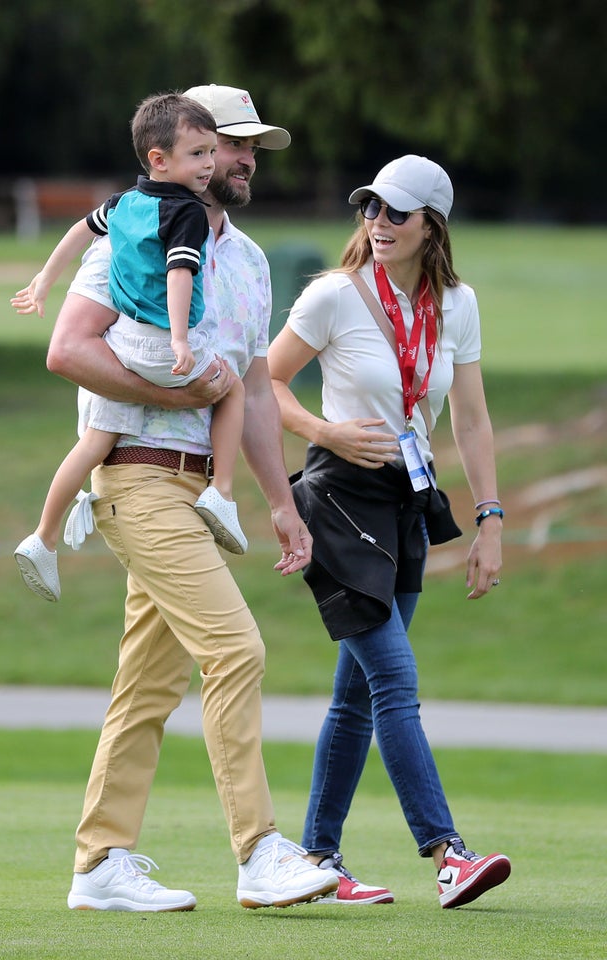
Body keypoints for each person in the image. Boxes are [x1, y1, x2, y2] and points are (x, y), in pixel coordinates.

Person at [31, 83, 342, 913]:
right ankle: (259, 852)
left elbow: (251, 385)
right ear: (184, 152)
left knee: (145, 689)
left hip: (201, 488)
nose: (243, 160)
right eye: (231, 144)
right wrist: (167, 396)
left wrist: (281, 502)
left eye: (249, 149)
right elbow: (68, 348)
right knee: (237, 650)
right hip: (136, 473)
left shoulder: (243, 258)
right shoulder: (133, 233)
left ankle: (99, 865)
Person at [267, 154, 511, 909]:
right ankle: (447, 853)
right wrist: (325, 431)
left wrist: (491, 518)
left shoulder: (457, 304)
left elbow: (469, 418)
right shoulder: (334, 296)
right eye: (369, 208)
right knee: (395, 684)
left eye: (395, 213)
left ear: (431, 223)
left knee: (356, 698)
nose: (378, 223)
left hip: (407, 499)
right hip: (338, 497)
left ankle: (318, 858)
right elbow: (264, 382)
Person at [12, 94, 246, 605]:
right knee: (233, 389)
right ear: (160, 160)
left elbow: (79, 230)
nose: (209, 165)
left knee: (96, 440)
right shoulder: (186, 211)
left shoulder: (123, 203)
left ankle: (43, 538)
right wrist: (182, 341)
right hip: (165, 346)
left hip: (123, 345)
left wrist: (45, 279)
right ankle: (222, 494)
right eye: (199, 154)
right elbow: (180, 273)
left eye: (212, 152)